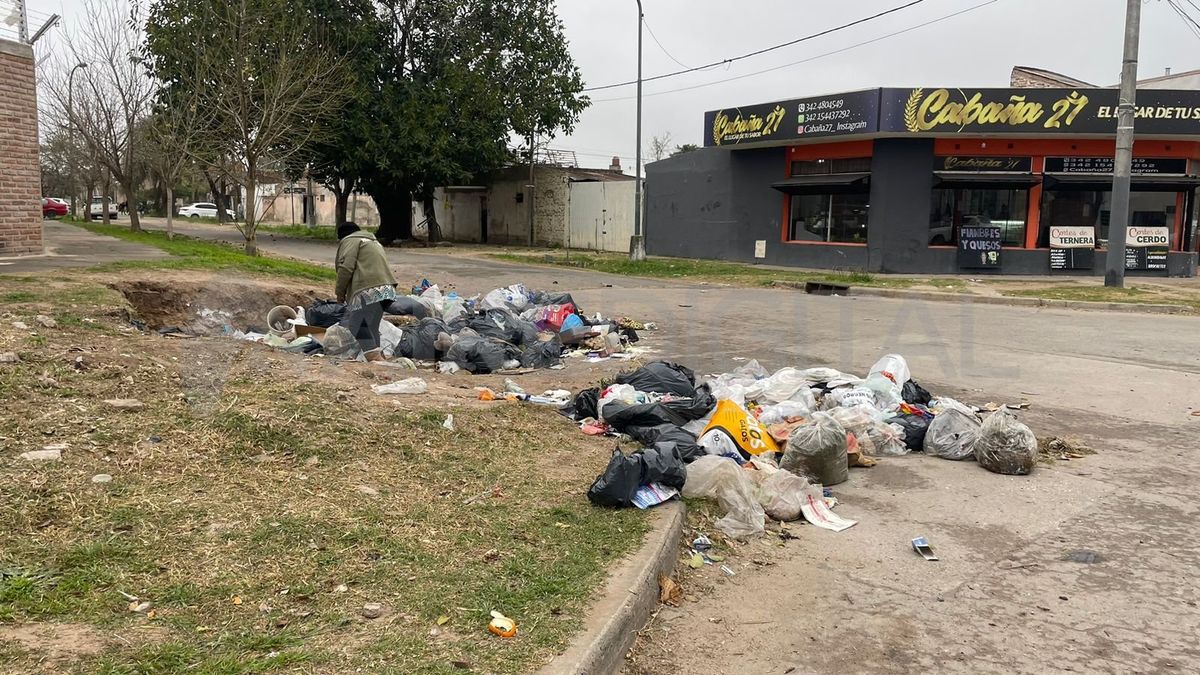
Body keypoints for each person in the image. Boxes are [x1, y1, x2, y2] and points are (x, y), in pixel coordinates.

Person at [335, 222, 398, 361]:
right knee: (371, 325)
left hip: (368, 289)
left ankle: (375, 359)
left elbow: (345, 267)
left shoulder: (350, 241)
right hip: (387, 289)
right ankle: (379, 357)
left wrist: (340, 292)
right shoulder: (372, 241)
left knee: (356, 324)